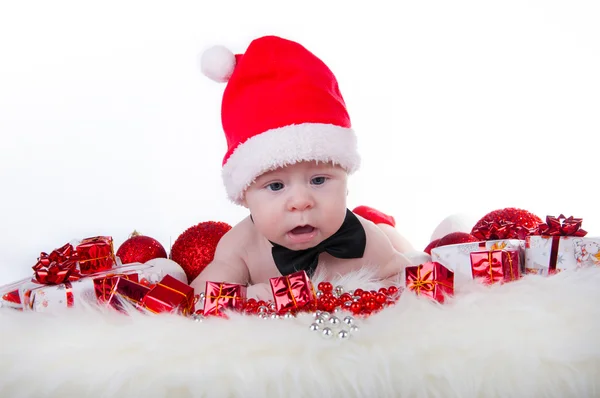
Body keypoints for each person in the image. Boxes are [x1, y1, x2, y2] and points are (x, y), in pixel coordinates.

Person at [190, 35, 417, 300]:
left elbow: (409, 276)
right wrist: (252, 295)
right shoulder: (241, 245)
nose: (300, 202)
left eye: (319, 180)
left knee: (404, 247)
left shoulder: (367, 240)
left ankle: (385, 222)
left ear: (346, 184)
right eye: (275, 185)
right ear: (244, 198)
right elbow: (199, 296)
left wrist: (374, 290)